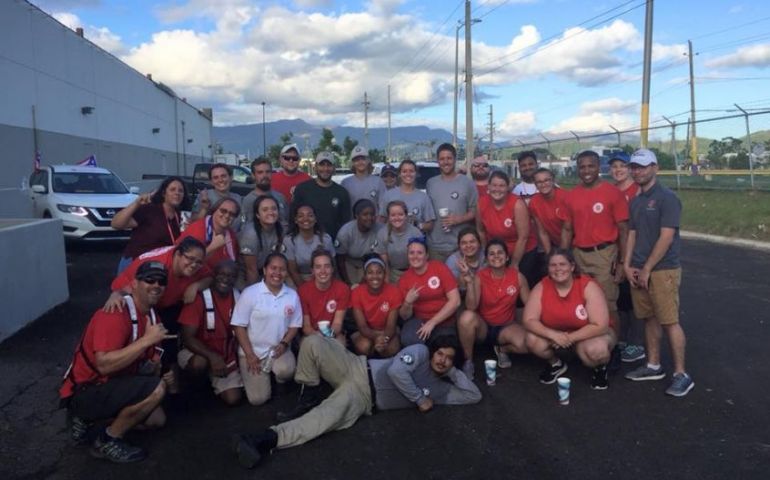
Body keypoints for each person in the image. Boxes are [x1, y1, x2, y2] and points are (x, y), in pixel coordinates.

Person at [231, 334, 481, 469]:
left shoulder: (441, 390)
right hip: (356, 365)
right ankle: (308, 395)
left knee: (320, 420)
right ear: (433, 351)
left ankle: (265, 439)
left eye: (449, 358)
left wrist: (452, 371)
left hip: (363, 397)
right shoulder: (421, 353)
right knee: (314, 341)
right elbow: (396, 371)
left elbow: (473, 395)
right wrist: (418, 398)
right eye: (440, 354)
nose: (442, 360)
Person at [59, 261, 175, 463]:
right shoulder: (115, 313)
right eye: (149, 279)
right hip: (87, 388)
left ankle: (90, 420)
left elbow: (147, 367)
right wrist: (147, 340)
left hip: (115, 382)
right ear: (134, 284)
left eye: (161, 281)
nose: (156, 285)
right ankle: (106, 440)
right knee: (156, 390)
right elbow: (104, 364)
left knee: (157, 419)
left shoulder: (153, 317)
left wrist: (160, 371)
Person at [623, 149, 694, 397]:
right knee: (649, 318)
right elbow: (632, 233)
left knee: (669, 320)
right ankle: (653, 365)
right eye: (634, 167)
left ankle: (681, 374)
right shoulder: (636, 200)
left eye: (642, 167)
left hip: (662, 270)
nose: (637, 171)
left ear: (655, 167)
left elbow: (667, 237)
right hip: (639, 269)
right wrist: (627, 264)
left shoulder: (667, 198)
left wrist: (647, 268)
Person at [107, 238, 211, 387]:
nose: (194, 265)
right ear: (178, 254)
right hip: (143, 304)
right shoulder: (156, 264)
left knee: (169, 342)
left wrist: (196, 285)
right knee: (143, 345)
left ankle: (171, 387)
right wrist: (117, 294)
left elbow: (209, 277)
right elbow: (127, 287)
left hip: (169, 304)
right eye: (190, 259)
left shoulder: (197, 263)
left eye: (199, 262)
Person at [523, 249, 616, 390]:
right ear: (548, 269)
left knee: (597, 351)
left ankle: (600, 369)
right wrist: (553, 335)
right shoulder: (542, 286)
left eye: (562, 264)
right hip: (557, 335)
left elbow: (600, 325)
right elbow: (529, 319)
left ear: (572, 267)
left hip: (589, 335)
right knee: (532, 340)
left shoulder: (587, 286)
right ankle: (556, 364)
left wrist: (569, 338)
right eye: (553, 265)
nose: (558, 269)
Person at [560, 150, 629, 339]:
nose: (586, 170)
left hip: (604, 254)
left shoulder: (612, 193)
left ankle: (614, 346)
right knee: (582, 301)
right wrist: (563, 258)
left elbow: (623, 230)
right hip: (578, 254)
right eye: (582, 167)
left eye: (591, 166)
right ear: (577, 169)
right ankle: (590, 341)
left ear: (599, 167)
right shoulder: (571, 196)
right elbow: (567, 229)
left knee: (608, 303)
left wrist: (622, 262)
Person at [231, 253, 301, 406]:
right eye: (273, 268)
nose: (277, 273)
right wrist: (249, 354)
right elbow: (238, 326)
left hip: (277, 350)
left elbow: (295, 325)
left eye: (282, 269)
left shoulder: (292, 295)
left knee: (286, 370)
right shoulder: (250, 293)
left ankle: (279, 382)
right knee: (258, 400)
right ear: (264, 270)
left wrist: (284, 344)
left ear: (286, 273)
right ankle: (261, 379)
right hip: (252, 353)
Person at [457, 240, 531, 379]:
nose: (496, 256)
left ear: (507, 257)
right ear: (486, 259)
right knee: (466, 317)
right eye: (491, 254)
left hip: (505, 327)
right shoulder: (480, 276)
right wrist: (470, 282)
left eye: (500, 252)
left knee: (529, 343)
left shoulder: (518, 277)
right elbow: (471, 307)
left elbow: (530, 305)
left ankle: (502, 349)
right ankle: (468, 361)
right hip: (483, 327)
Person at [178, 260, 243, 406]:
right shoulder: (199, 298)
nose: (226, 279)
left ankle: (213, 383)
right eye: (221, 274)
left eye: (231, 276)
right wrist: (212, 357)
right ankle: (192, 389)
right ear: (213, 275)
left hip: (225, 354)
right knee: (199, 364)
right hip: (198, 352)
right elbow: (187, 338)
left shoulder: (239, 298)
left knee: (233, 399)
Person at [609, 151, 646, 364]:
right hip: (618, 250)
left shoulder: (638, 191)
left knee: (636, 299)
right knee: (621, 297)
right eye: (614, 167)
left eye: (622, 166)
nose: (618, 170)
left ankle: (637, 343)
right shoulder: (611, 191)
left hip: (637, 251)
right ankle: (623, 338)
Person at [112, 177, 187, 274]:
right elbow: (116, 224)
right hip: (137, 263)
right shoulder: (149, 210)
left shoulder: (181, 215)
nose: (177, 193)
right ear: (164, 193)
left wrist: (203, 209)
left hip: (160, 266)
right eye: (172, 189)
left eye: (181, 191)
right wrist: (137, 203)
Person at [398, 237, 461, 346]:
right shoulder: (404, 279)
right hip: (419, 320)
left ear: (427, 255)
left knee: (443, 348)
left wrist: (432, 322)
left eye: (419, 253)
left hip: (444, 320)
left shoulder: (439, 267)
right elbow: (404, 316)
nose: (415, 256)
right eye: (411, 253)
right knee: (409, 340)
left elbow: (455, 301)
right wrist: (408, 303)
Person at [426, 143, 478, 262]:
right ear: (438, 161)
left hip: (460, 246)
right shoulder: (431, 183)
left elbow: (475, 210)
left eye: (449, 158)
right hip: (435, 247)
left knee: (461, 279)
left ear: (455, 159)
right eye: (442, 159)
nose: (446, 162)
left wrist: (459, 219)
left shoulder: (467, 183)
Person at [477, 170, 533, 269]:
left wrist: (514, 263)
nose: (497, 189)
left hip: (522, 252)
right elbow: (480, 231)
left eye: (502, 186)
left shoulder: (517, 205)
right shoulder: (481, 203)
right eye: (494, 185)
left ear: (507, 188)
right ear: (488, 186)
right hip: (497, 253)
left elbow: (523, 237)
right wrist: (487, 253)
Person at [350, 255, 402, 358]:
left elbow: (391, 326)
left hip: (386, 331)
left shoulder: (394, 292)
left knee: (392, 348)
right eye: (370, 273)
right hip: (366, 332)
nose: (375, 276)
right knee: (363, 346)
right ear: (365, 275)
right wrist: (377, 338)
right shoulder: (357, 292)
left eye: (379, 272)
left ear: (384, 274)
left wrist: (384, 340)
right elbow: (362, 326)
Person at [291, 151, 351, 240]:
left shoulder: (342, 192)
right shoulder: (302, 189)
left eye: (329, 165)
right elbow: (292, 217)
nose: (325, 168)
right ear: (315, 167)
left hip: (333, 244)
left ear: (334, 168)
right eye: (322, 165)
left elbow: (345, 223)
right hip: (305, 242)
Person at [298, 250, 350, 344]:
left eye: (327, 266)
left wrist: (328, 336)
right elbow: (306, 327)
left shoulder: (342, 289)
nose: (323, 271)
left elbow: (337, 323)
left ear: (333, 269)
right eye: (318, 267)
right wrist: (319, 337)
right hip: (312, 334)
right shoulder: (303, 290)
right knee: (307, 345)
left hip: (332, 333)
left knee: (340, 343)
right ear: (312, 270)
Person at [178, 196, 240, 270]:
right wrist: (213, 247)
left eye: (232, 214)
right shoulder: (198, 229)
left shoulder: (230, 234)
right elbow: (188, 264)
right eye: (223, 211)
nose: (227, 216)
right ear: (214, 210)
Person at [283, 204, 335, 287]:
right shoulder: (289, 240)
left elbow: (331, 266)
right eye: (301, 216)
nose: (306, 219)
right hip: (297, 277)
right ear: (296, 220)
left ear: (315, 219)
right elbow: (292, 270)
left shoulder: (325, 238)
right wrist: (304, 289)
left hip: (321, 275)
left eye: (310, 215)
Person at [378, 159, 435, 234]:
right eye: (404, 171)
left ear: (416, 174)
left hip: (415, 241)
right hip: (393, 242)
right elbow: (382, 220)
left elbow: (430, 224)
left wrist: (419, 225)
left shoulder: (423, 197)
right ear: (399, 174)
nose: (408, 174)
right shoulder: (389, 195)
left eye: (411, 171)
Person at [239, 195, 284, 286]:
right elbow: (251, 270)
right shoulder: (251, 234)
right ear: (257, 215)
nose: (270, 212)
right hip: (245, 275)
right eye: (265, 210)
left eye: (274, 209)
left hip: (268, 273)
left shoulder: (282, 229)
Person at [335, 199, 382, 285]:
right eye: (365, 214)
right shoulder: (345, 232)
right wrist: (347, 283)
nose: (369, 218)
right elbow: (340, 259)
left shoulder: (380, 229)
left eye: (372, 214)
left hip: (369, 261)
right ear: (356, 216)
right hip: (349, 262)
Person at [374, 200, 423, 284]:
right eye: (393, 215)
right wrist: (387, 278)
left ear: (406, 215)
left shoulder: (415, 233)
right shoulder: (382, 234)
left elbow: (418, 257)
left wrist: (411, 277)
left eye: (400, 214)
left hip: (413, 270)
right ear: (388, 217)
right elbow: (384, 261)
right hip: (392, 272)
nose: (397, 218)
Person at [241, 157, 289, 231]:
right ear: (253, 175)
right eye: (260, 172)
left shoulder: (280, 198)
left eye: (268, 172)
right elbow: (244, 229)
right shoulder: (248, 201)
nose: (264, 175)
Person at [192, 163, 243, 231]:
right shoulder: (204, 196)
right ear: (211, 182)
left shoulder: (238, 198)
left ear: (231, 178)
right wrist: (204, 209)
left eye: (223, 176)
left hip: (233, 239)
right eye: (216, 177)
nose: (220, 180)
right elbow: (193, 223)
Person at [528, 168, 568, 255]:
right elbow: (542, 232)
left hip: (573, 243)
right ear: (535, 184)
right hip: (555, 243)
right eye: (539, 182)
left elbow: (568, 230)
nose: (543, 184)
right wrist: (549, 254)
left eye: (547, 180)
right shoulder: (534, 202)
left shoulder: (565, 197)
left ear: (553, 181)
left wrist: (563, 254)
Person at [341, 145, 386, 212]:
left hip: (373, 221)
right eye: (357, 160)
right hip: (353, 221)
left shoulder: (378, 181)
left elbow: (383, 207)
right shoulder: (346, 183)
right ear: (353, 163)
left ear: (368, 161)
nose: (360, 162)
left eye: (363, 159)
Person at [444, 227, 485, 293]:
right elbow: (453, 291)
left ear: (479, 244)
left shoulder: (486, 256)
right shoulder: (452, 262)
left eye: (472, 242)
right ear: (459, 246)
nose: (468, 245)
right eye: (464, 243)